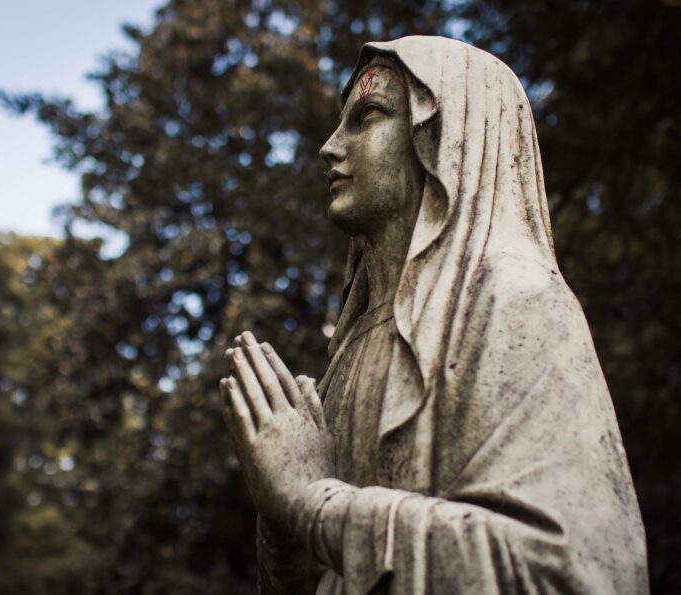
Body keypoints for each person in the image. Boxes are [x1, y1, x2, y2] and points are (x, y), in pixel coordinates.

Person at [220, 36, 648, 594]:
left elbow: (574, 571)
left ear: (444, 136)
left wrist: (309, 502)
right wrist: (281, 526)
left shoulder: (515, 300)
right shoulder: (349, 353)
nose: (329, 147)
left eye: (367, 116)